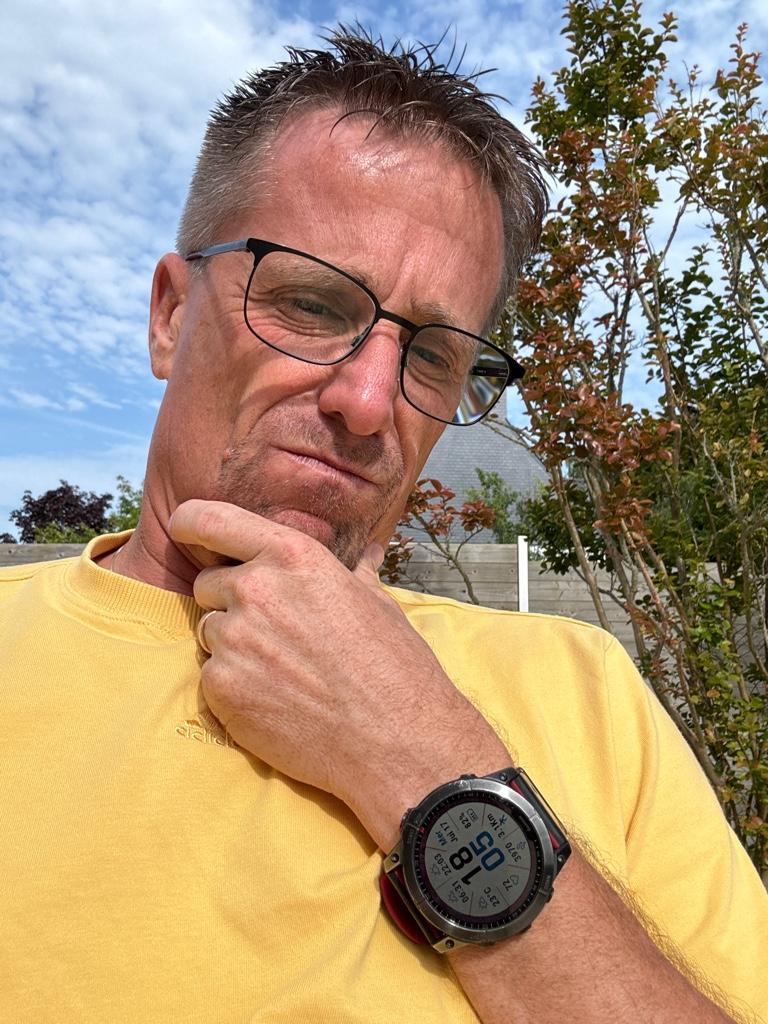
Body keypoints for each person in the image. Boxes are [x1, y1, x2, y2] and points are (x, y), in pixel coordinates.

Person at [1, 27, 766, 1024]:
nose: (369, 402)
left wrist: (416, 749)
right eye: (312, 304)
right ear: (170, 315)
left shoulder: (587, 689)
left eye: (435, 354)